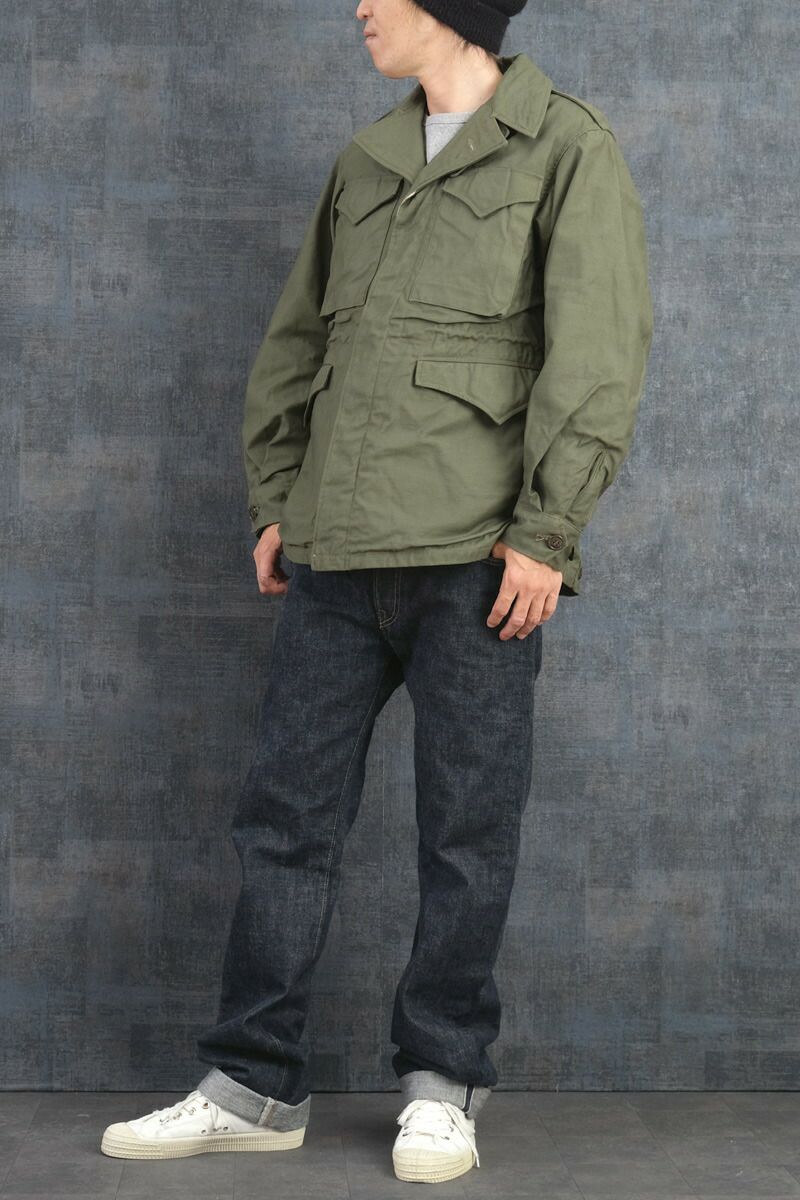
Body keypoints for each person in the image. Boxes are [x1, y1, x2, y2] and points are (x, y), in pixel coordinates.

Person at [101, 0, 653, 1184]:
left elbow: (597, 354)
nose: (358, 6)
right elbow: (295, 342)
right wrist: (276, 499)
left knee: (465, 834)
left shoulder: (566, 146)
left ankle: (441, 1083)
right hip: (335, 556)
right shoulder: (365, 160)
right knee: (282, 824)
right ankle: (251, 1083)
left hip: (475, 559)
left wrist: (545, 533)